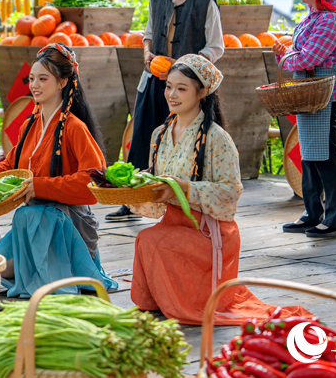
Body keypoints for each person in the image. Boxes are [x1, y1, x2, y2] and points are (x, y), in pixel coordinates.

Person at [129, 55, 311, 324]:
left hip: (209, 232)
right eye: (168, 86)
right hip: (175, 223)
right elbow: (159, 188)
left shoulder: (216, 138)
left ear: (202, 92)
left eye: (182, 88)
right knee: (147, 238)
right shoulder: (160, 134)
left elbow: (230, 192)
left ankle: (185, 303)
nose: (172, 94)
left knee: (154, 241)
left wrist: (185, 189)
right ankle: (157, 303)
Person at [0, 44, 117, 297]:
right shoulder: (30, 125)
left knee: (26, 218)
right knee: (0, 268)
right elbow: (10, 165)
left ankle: (69, 269)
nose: (34, 85)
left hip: (69, 223)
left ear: (63, 82)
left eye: (43, 79)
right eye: (32, 79)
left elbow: (93, 182)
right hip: (36, 220)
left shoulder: (75, 127)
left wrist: (39, 186)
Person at [109, 0, 225, 221]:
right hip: (153, 80)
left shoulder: (206, 2)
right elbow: (148, 34)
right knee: (141, 138)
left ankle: (178, 199)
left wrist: (186, 63)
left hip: (188, 86)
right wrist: (147, 53)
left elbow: (216, 47)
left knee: (183, 139)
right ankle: (131, 199)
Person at [275, 0, 336, 239]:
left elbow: (310, 58)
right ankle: (313, 212)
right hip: (308, 89)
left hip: (324, 92)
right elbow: (302, 53)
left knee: (327, 156)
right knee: (309, 154)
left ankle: (335, 219)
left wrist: (288, 56)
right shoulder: (315, 15)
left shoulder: (331, 19)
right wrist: (286, 53)